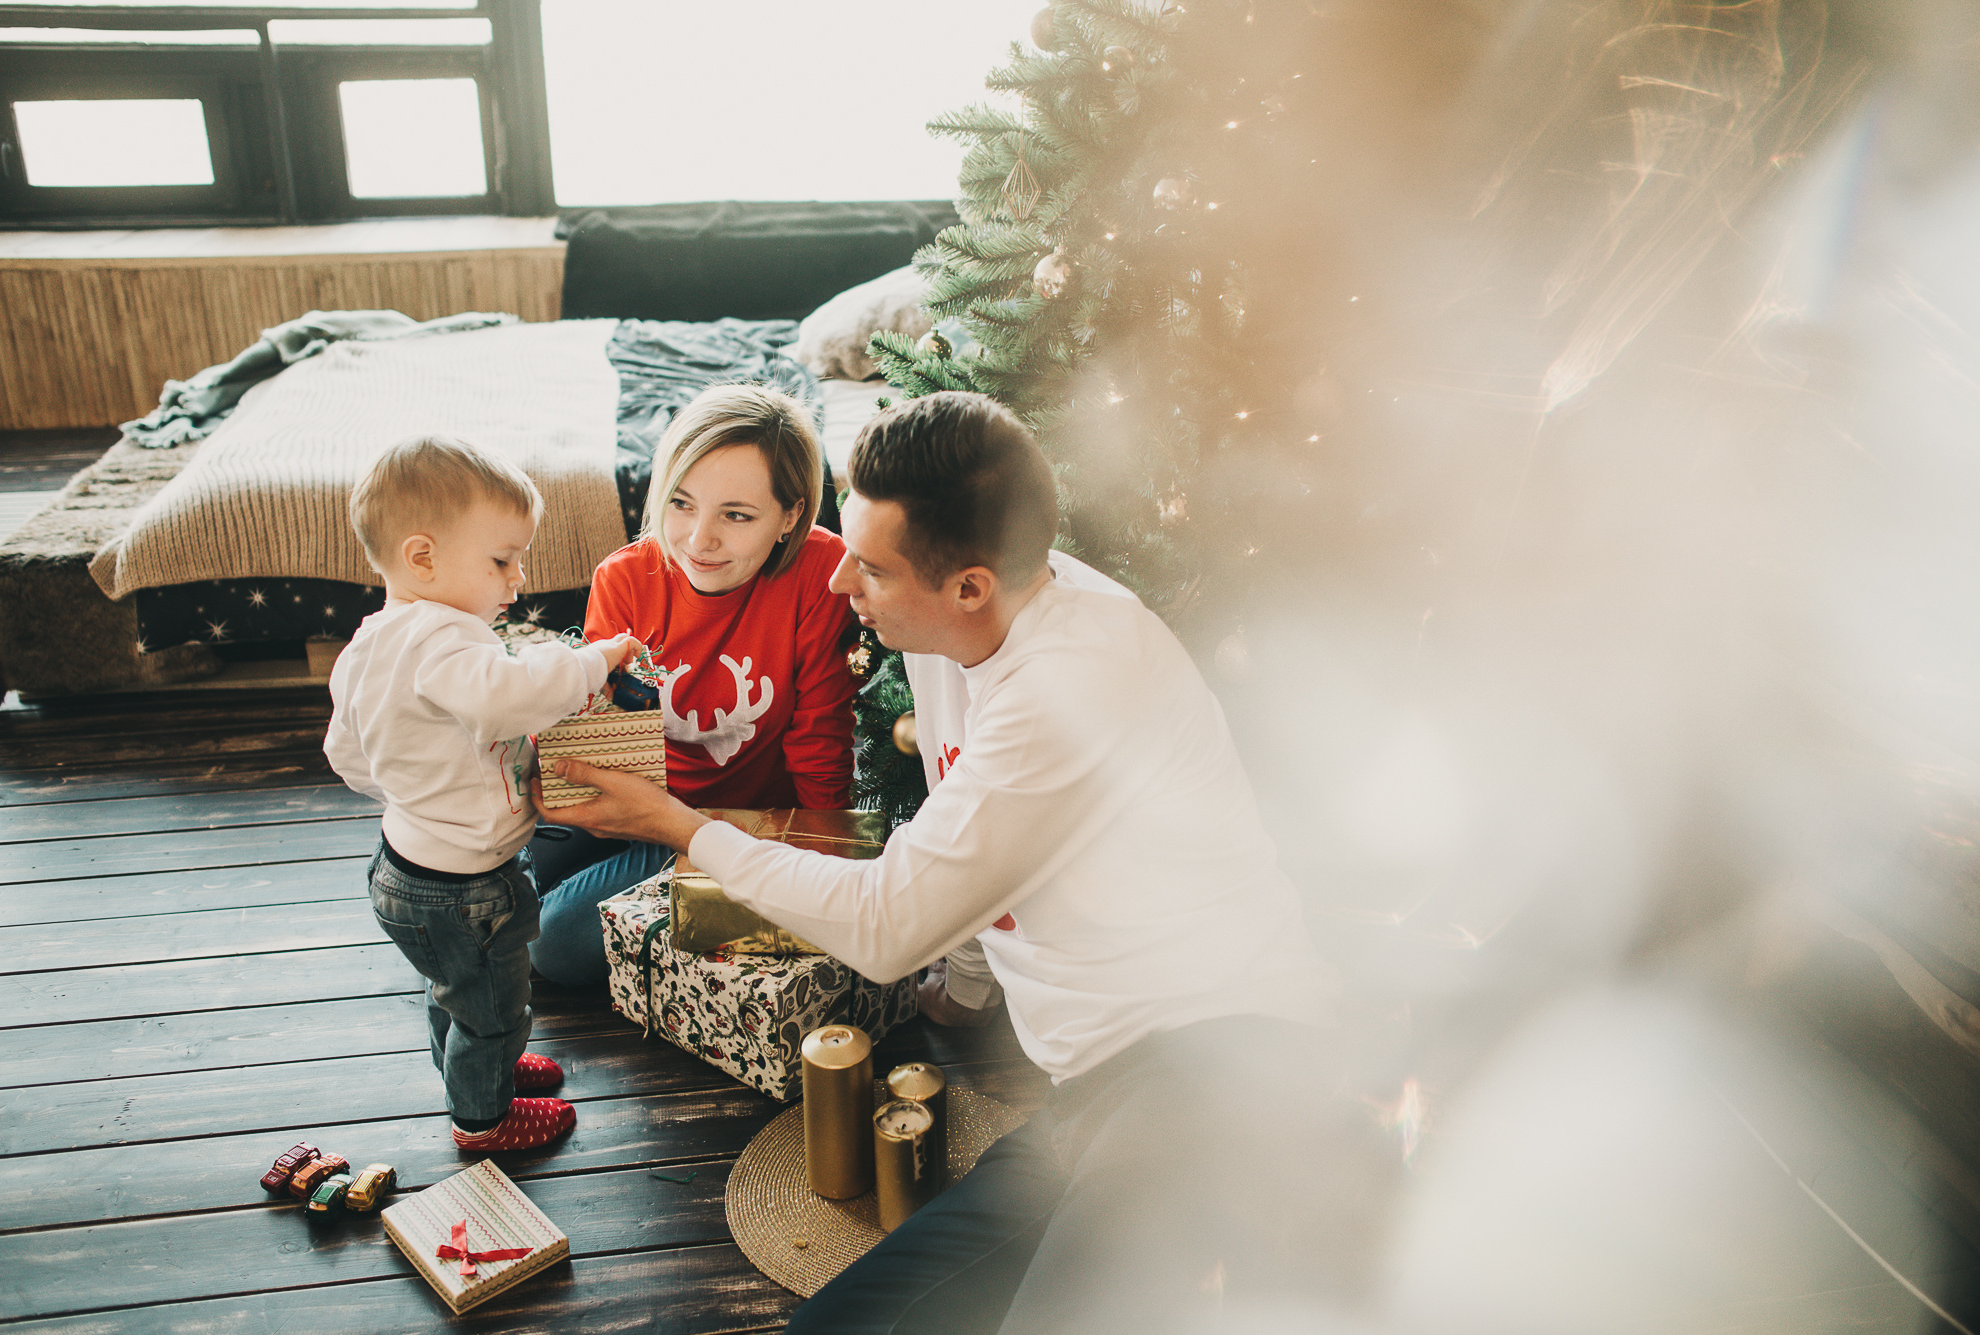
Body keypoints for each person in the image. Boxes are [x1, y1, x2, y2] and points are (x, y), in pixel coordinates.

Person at [540, 392, 1394, 1332]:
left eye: (867, 566)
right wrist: (971, 986)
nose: (835, 586)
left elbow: (887, 924)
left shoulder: (1073, 681)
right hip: (1097, 1095)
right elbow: (975, 833)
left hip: (1226, 1067)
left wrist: (677, 823)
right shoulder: (946, 632)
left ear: (969, 585)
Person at [323, 435, 641, 1152]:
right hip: (465, 888)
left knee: (455, 991)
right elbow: (513, 700)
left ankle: (472, 1067)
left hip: (401, 864)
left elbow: (346, 753)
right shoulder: (445, 638)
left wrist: (414, 794)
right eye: (501, 560)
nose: (518, 580)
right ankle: (483, 1118)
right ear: (422, 557)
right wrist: (591, 659)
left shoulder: (372, 641)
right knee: (496, 1006)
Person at [526, 382, 858, 988]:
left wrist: (814, 869)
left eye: (736, 516)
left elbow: (822, 741)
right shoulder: (625, 579)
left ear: (790, 516)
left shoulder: (817, 573)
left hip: (738, 823)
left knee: (549, 943)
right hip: (644, 795)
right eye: (681, 504)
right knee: (512, 879)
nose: (699, 540)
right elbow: (610, 735)